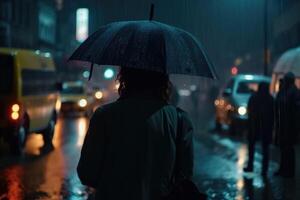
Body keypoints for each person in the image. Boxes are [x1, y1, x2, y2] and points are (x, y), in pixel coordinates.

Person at [77, 67, 194, 200]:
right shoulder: (180, 119)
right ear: (164, 81)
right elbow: (185, 174)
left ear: (124, 79)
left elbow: (87, 173)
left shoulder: (104, 115)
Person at [244, 82, 274, 176]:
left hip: (254, 126)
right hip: (266, 127)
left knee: (252, 147)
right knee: (265, 149)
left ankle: (250, 166)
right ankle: (264, 170)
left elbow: (249, 111)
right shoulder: (270, 99)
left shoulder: (254, 97)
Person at [274, 72, 299, 177]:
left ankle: (289, 171)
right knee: (283, 147)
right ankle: (284, 168)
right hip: (283, 124)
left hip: (290, 125)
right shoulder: (286, 91)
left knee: (288, 148)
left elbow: (295, 110)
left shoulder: (294, 92)